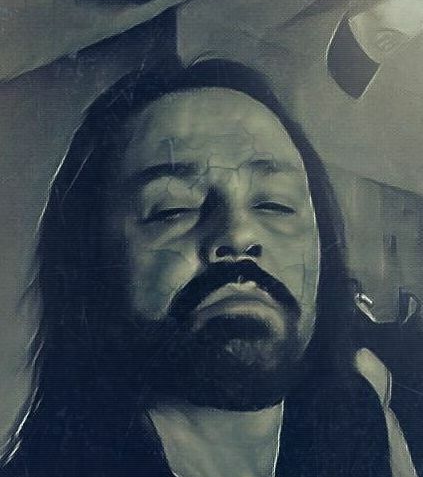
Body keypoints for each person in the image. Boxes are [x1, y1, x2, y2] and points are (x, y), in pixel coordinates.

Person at [0, 58, 410, 477]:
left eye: (275, 203)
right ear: (92, 260)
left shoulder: (363, 413)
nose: (238, 234)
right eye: (172, 209)